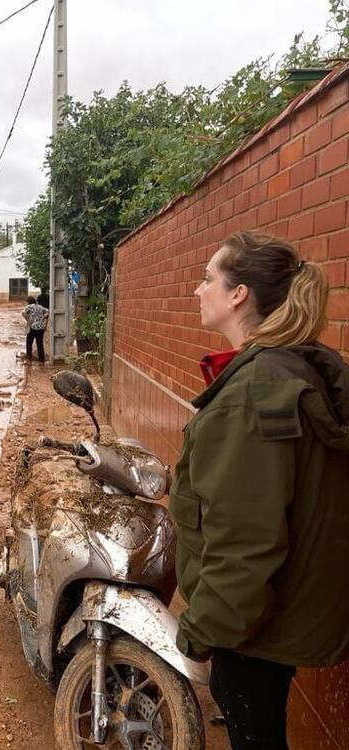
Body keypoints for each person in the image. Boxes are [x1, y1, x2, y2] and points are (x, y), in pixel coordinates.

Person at [170, 231, 349, 750]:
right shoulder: (290, 366)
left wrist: (200, 632)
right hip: (280, 610)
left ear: (238, 295)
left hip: (253, 627)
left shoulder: (253, 393)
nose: (196, 291)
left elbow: (245, 540)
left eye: (208, 279)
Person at [22, 295, 49, 363]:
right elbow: (47, 312)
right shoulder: (40, 306)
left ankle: (29, 359)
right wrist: (43, 319)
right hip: (41, 328)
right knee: (40, 344)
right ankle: (41, 360)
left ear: (28, 302)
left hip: (32, 327)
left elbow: (23, 313)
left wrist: (27, 319)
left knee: (29, 343)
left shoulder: (29, 307)